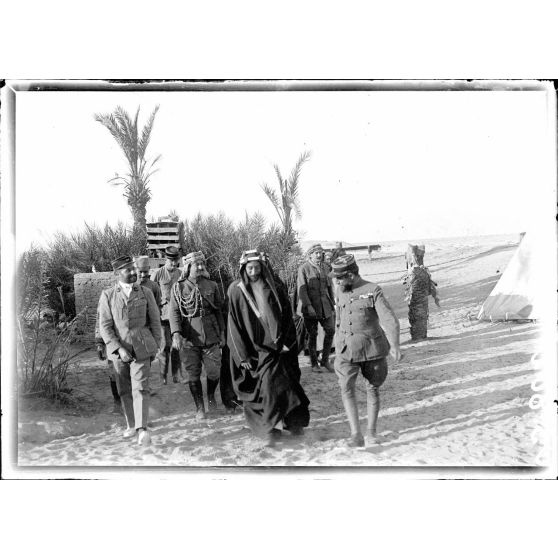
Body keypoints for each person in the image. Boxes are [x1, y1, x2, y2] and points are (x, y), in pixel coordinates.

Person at [228, 249, 310, 447]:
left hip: (280, 348)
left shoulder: (274, 286)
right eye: (250, 268)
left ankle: (294, 424)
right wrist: (242, 356)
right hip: (256, 351)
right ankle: (272, 430)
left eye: (257, 267)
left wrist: (288, 343)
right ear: (243, 269)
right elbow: (233, 326)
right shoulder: (236, 290)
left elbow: (287, 318)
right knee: (268, 388)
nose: (254, 272)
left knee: (289, 385)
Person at [330, 254, 401, 447]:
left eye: (340, 277)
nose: (336, 281)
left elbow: (389, 319)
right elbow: (339, 319)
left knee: (372, 388)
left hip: (372, 350)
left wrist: (395, 345)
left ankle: (371, 432)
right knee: (346, 388)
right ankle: (356, 435)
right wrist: (337, 344)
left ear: (351, 275)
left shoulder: (373, 290)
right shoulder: (340, 290)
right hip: (346, 350)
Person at [98, 255, 162, 446]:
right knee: (124, 389)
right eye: (129, 270)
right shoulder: (108, 295)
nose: (134, 272)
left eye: (134, 269)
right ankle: (131, 425)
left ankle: (142, 429)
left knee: (140, 388)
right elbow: (105, 326)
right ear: (117, 273)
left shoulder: (145, 292)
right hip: (119, 352)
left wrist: (155, 345)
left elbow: (155, 321)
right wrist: (118, 349)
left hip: (142, 348)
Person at [168, 251, 226, 419]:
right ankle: (199, 407)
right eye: (196, 265)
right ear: (188, 267)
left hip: (211, 334)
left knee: (214, 371)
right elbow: (174, 312)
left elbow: (219, 311)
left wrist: (222, 333)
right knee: (193, 373)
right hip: (189, 337)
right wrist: (176, 333)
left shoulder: (212, 285)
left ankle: (211, 397)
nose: (200, 267)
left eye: (202, 264)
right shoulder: (178, 287)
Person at [297, 243, 335, 373]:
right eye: (316, 253)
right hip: (311, 307)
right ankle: (314, 363)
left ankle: (325, 360)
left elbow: (329, 286)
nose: (319, 255)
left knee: (330, 330)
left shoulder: (325, 267)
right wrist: (308, 306)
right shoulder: (304, 268)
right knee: (312, 335)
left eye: (320, 253)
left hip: (325, 306)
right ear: (310, 255)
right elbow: (302, 290)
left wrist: (332, 303)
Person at [150, 246, 182, 384]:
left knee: (176, 345)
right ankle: (163, 375)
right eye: (171, 261)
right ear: (165, 260)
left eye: (176, 261)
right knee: (164, 347)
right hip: (162, 316)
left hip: (177, 316)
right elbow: (151, 296)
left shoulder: (180, 273)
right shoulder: (157, 274)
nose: (174, 264)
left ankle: (176, 374)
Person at [402, 244, 440, 340]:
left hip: (418, 307)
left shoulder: (416, 272)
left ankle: (418, 336)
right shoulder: (422, 271)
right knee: (419, 314)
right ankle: (420, 335)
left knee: (417, 315)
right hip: (421, 306)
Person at [94, 304, 122, 415]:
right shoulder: (106, 298)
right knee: (114, 375)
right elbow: (100, 321)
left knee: (134, 375)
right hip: (112, 343)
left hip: (134, 342)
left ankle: (136, 408)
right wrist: (99, 343)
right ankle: (118, 405)